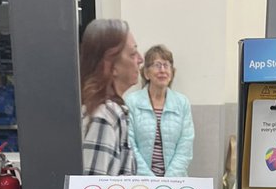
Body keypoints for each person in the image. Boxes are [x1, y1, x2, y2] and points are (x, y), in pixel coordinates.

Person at [79, 18, 143, 176]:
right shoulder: (104, 116)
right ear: (110, 66)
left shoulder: (113, 111)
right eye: (132, 54)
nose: (140, 59)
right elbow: (92, 187)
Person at [126, 45, 194, 176]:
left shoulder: (182, 103)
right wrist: (150, 180)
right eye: (157, 65)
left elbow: (185, 146)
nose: (162, 70)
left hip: (175, 181)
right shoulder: (131, 102)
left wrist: (168, 181)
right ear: (146, 73)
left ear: (172, 72)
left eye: (166, 65)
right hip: (139, 181)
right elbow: (130, 146)